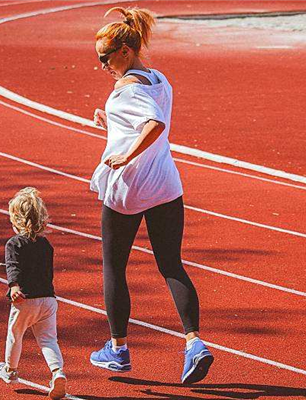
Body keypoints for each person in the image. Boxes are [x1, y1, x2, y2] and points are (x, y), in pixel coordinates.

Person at [89, 6, 214, 384]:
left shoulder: (126, 88)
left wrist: (126, 154)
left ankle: (118, 349)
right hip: (166, 186)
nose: (102, 65)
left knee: (114, 267)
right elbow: (151, 113)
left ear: (124, 51)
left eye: (104, 58)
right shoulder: (158, 78)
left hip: (129, 189)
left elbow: (154, 123)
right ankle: (194, 343)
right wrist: (111, 121)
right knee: (171, 264)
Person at [0, 187, 66, 400]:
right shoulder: (46, 245)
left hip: (25, 300)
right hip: (48, 299)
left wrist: (14, 286)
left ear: (16, 220)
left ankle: (11, 370)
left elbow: (13, 266)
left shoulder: (14, 244)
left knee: (15, 334)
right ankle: (57, 372)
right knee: (48, 339)